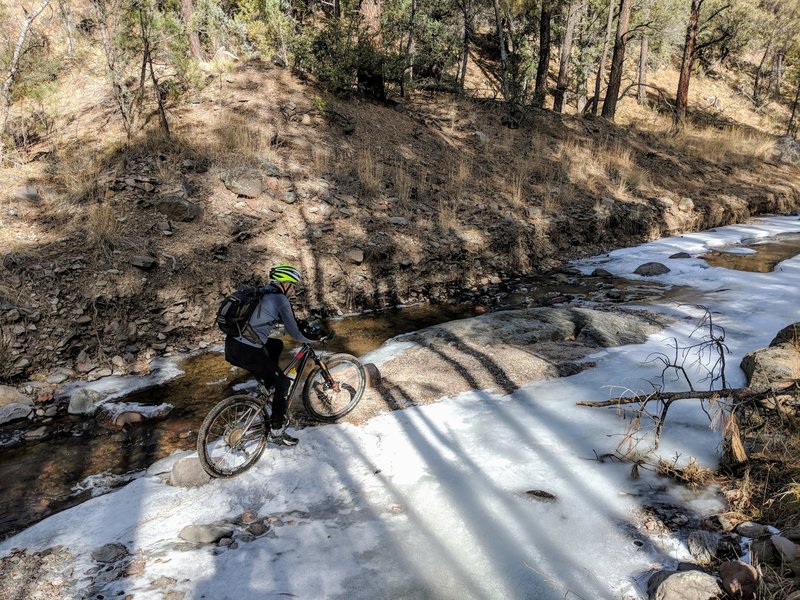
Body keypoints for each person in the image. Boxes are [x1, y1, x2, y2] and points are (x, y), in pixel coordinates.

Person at [224, 263, 319, 446]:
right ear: (285, 284)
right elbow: (296, 334)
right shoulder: (280, 299)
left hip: (232, 346)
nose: (294, 290)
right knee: (283, 382)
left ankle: (268, 384)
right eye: (293, 286)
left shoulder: (263, 292)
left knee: (275, 344)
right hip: (248, 352)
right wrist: (314, 337)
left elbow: (262, 324)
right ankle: (276, 431)